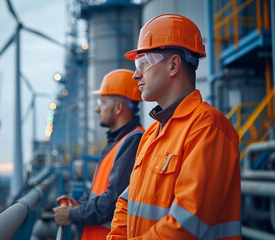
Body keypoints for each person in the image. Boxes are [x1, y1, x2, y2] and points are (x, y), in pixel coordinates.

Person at [107, 14, 242, 239]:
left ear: (173, 65)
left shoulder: (208, 128)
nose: (135, 74)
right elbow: (126, 202)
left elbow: (186, 224)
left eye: (142, 63)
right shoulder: (152, 133)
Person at [53, 69, 144, 240]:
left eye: (102, 102)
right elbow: (99, 191)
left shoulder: (133, 142)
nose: (96, 109)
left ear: (118, 107)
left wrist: (73, 214)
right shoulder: (116, 141)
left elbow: (112, 202)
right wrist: (79, 204)